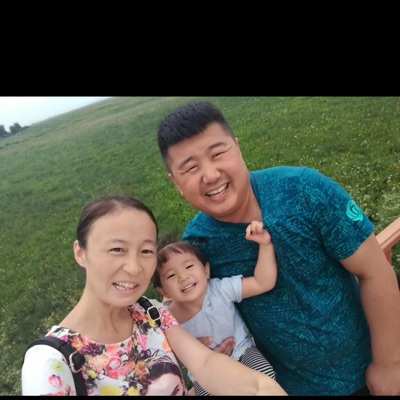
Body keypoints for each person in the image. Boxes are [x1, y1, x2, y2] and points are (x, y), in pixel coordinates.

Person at [156, 101, 400, 396]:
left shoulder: (305, 190)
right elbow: (184, 308)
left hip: (368, 369)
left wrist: (388, 364)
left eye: (218, 153)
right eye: (191, 168)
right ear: (176, 183)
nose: (210, 175)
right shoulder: (196, 249)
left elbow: (375, 271)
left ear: (237, 147)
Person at [21, 195, 286, 396]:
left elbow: (205, 363)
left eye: (146, 251)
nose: (134, 268)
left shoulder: (150, 313)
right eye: (117, 249)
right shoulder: (50, 364)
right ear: (81, 252)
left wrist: (263, 388)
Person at [154, 220, 277, 395]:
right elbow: (164, 356)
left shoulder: (220, 290)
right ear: (163, 291)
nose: (183, 277)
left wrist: (265, 245)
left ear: (206, 270)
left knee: (265, 376)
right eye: (171, 275)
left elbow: (262, 283)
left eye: (189, 266)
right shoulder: (168, 318)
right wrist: (190, 350)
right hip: (204, 371)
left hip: (241, 352)